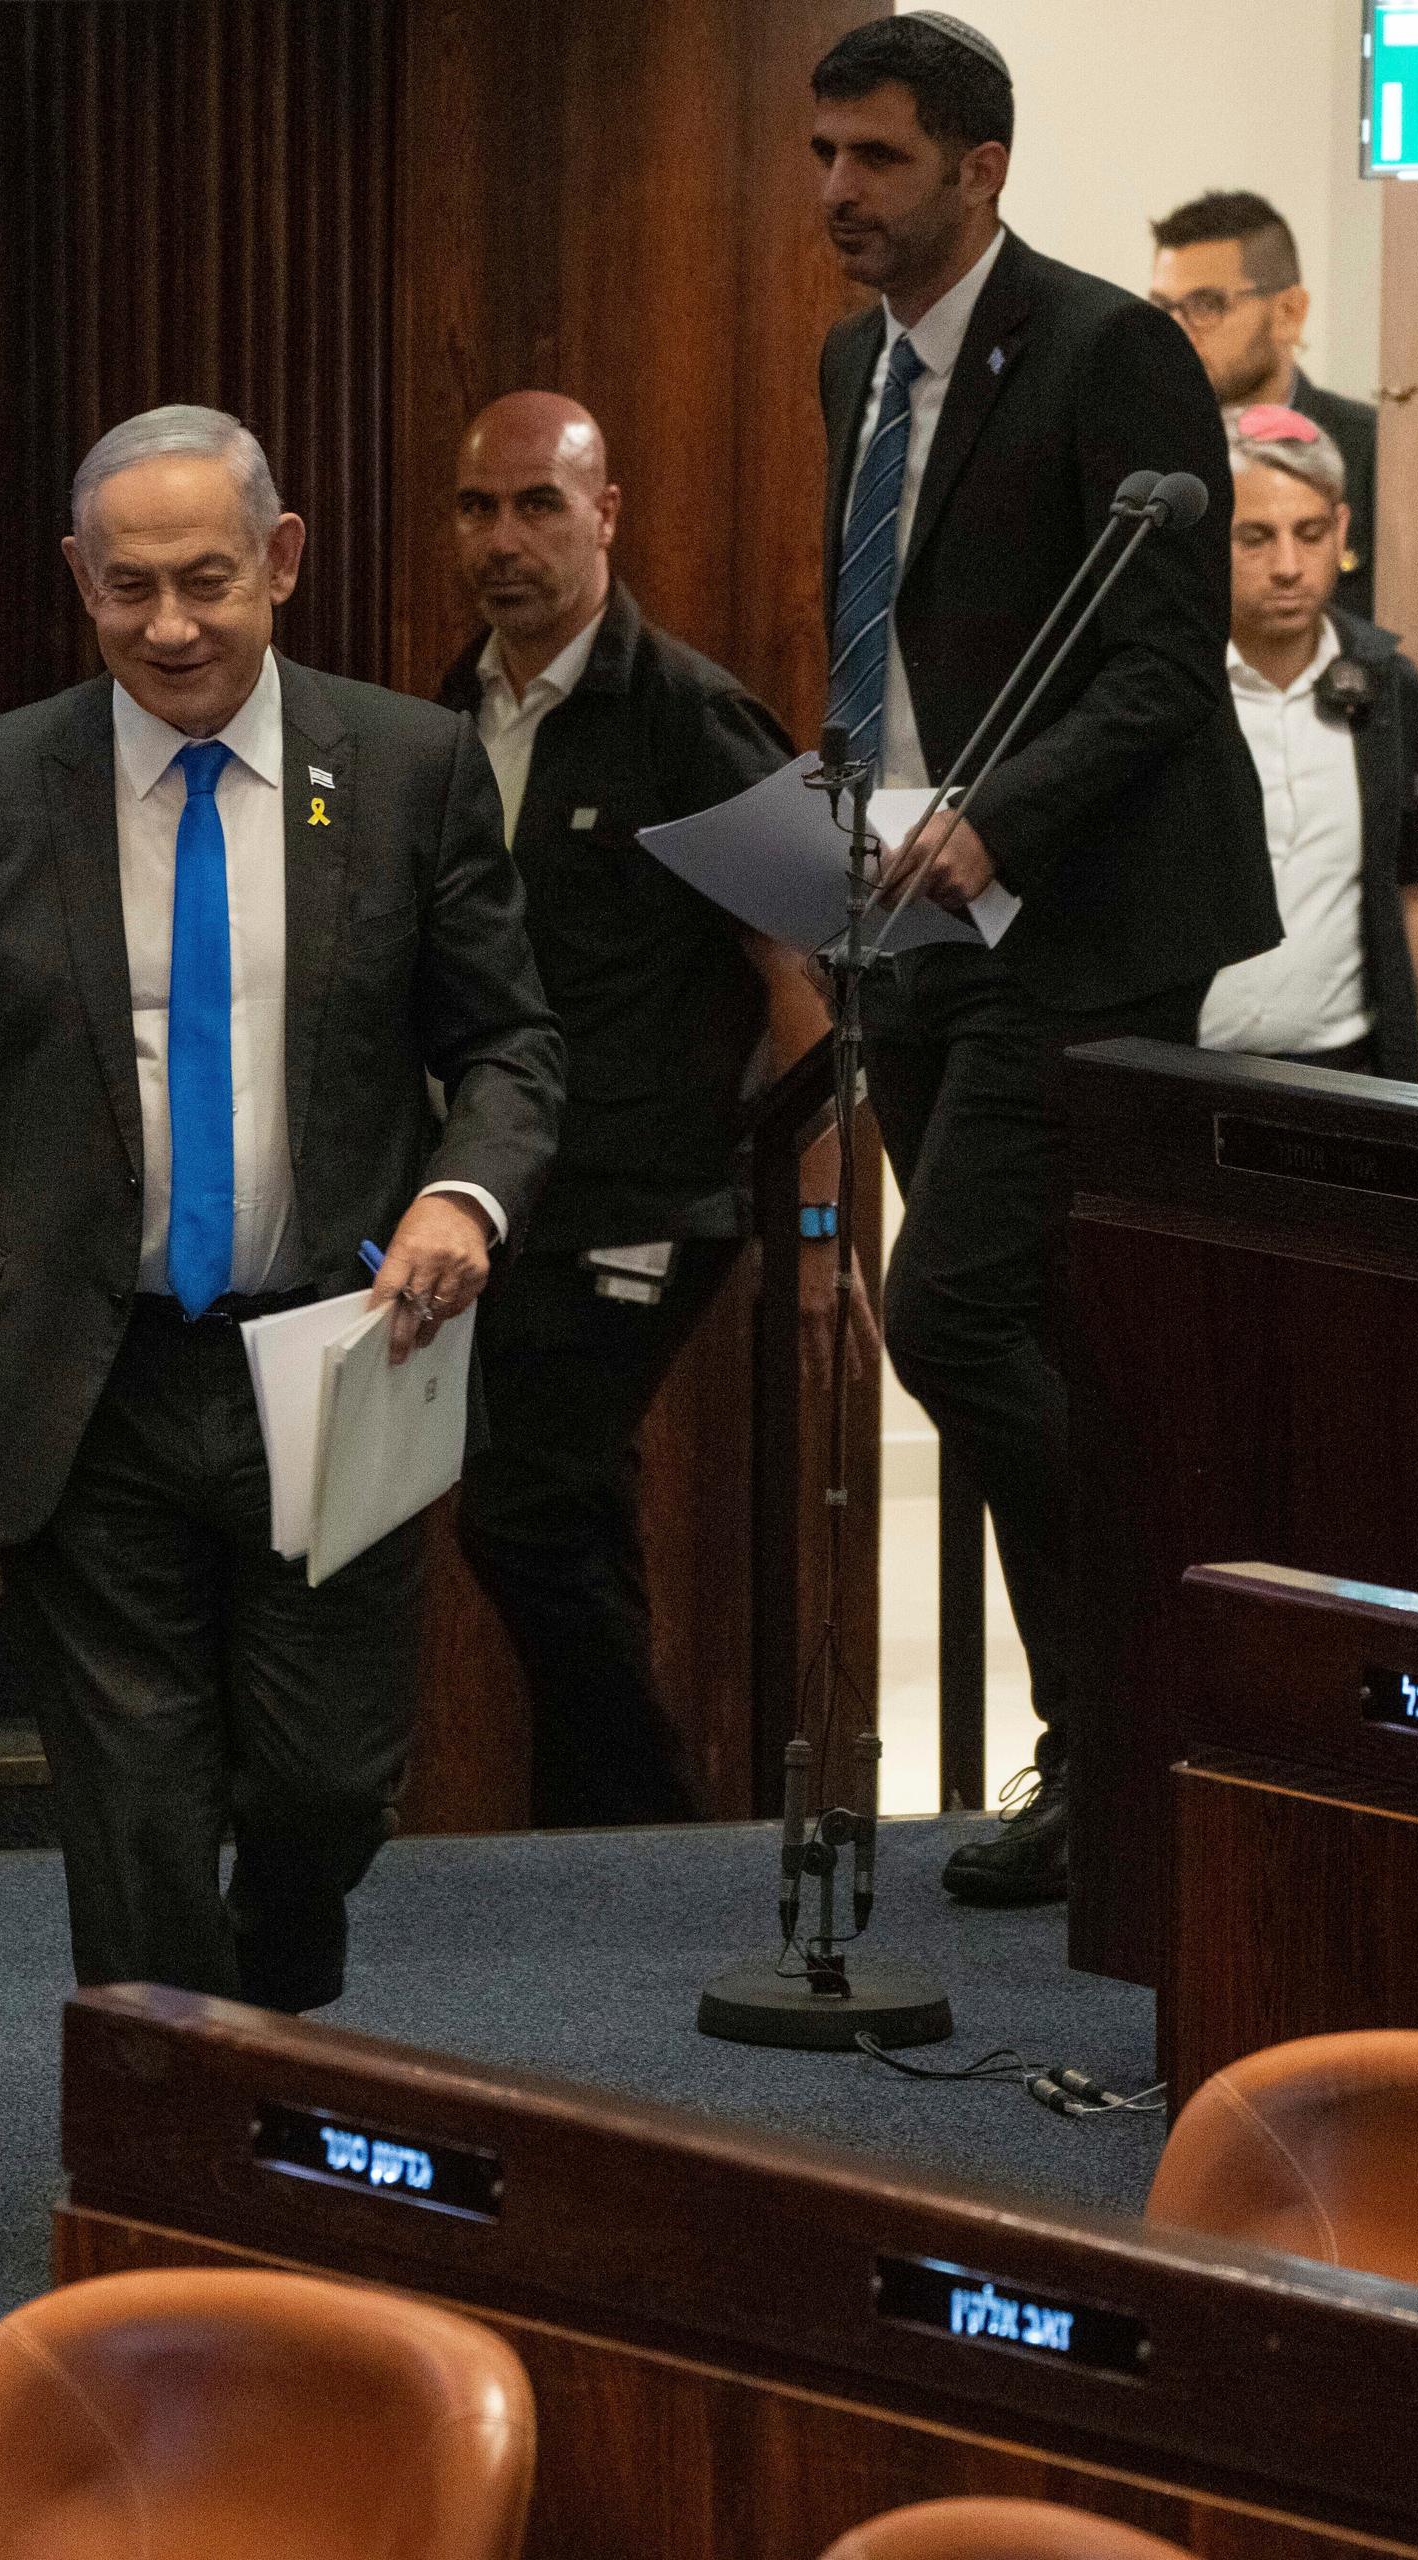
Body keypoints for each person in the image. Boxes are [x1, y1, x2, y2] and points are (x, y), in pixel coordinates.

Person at [0, 405, 562, 2010]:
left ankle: (273, 1980)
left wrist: (468, 1193)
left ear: (283, 564)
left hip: (336, 1357)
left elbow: (511, 1042)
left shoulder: (388, 775)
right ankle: (172, 2161)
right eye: (128, 590)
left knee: (323, 1788)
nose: (168, 627)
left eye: (206, 582)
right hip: (82, 1375)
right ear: (78, 581)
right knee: (137, 1816)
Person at [809, 14, 1276, 1906]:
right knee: (1033, 1336)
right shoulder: (855, 361)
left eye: (880, 159)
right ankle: (1105, 1759)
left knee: (953, 1315)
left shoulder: (1109, 349)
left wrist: (1000, 818)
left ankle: (1142, 1723)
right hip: (917, 909)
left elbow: (1163, 664)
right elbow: (897, 632)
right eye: (824, 154)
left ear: (980, 168)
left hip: (1083, 920)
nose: (839, 191)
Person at [434, 390, 848, 1826]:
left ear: (605, 514)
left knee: (522, 1509)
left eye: (540, 505)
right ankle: (597, 1857)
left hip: (654, 1199)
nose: (507, 540)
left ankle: (652, 1818)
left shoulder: (686, 710)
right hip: (508, 1198)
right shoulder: (449, 712)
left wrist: (816, 1236)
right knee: (570, 1522)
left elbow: (818, 978)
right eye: (480, 507)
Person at [1198, 408, 1418, 1097]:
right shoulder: (1162, 686)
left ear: (1341, 531)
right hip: (1182, 1072)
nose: (1288, 566)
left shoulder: (1388, 687)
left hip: (1345, 1071)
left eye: (1309, 534)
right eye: (1254, 538)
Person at [1148, 189, 1379, 621]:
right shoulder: (1141, 451)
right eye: (1164, 308)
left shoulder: (1373, 455)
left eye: (1206, 305)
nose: (1176, 333)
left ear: (1289, 312)